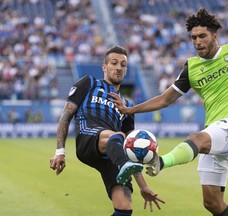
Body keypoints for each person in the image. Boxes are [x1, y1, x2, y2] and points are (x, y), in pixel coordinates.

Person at [110, 8, 228, 216]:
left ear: (214, 36)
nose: (197, 41)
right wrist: (130, 109)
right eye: (193, 37)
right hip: (214, 131)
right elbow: (165, 99)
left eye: (202, 36)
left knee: (197, 139)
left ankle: (161, 161)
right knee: (212, 202)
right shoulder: (191, 68)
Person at [49, 45, 164, 216]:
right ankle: (123, 165)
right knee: (116, 136)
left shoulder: (128, 106)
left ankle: (123, 168)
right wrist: (60, 152)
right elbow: (66, 116)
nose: (118, 67)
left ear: (126, 70)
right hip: (88, 139)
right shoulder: (88, 83)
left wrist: (144, 186)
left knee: (124, 209)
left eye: (123, 65)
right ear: (104, 67)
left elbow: (129, 149)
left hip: (113, 153)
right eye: (114, 63)